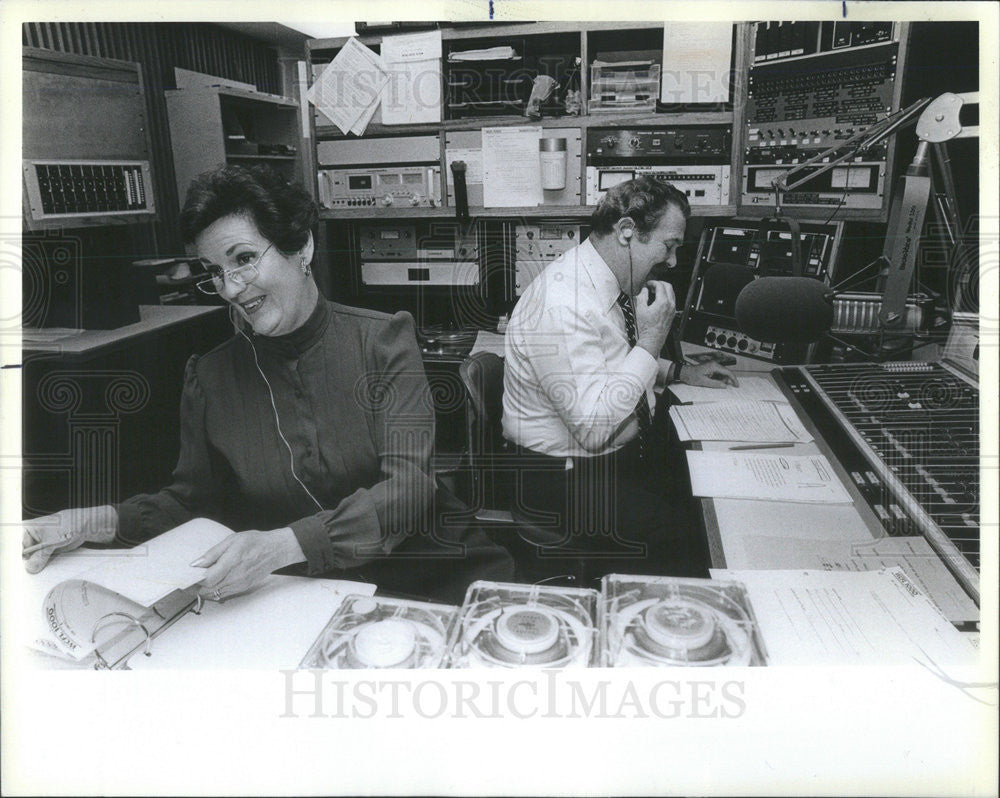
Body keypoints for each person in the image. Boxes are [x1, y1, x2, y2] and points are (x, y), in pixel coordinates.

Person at [22, 164, 513, 605]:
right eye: (214, 272)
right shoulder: (210, 377)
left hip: (431, 579)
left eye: (243, 258)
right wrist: (90, 522)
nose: (231, 288)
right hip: (303, 595)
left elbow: (408, 491)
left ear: (302, 248)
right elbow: (190, 503)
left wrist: (285, 545)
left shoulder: (383, 341)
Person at [501, 175, 738, 585]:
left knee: (713, 496)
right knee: (689, 540)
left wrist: (678, 371)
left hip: (611, 459)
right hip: (561, 478)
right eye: (669, 246)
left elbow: (607, 361)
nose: (673, 262)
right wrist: (651, 341)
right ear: (627, 231)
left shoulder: (603, 282)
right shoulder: (563, 303)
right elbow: (593, 429)